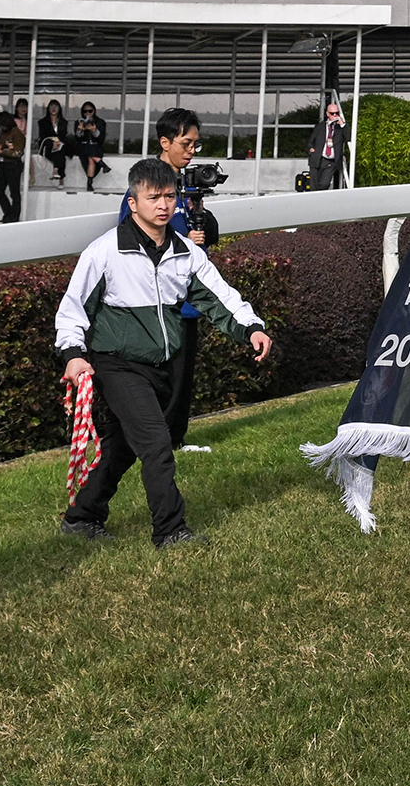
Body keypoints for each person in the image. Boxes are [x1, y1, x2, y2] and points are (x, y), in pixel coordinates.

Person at [57, 157, 272, 547]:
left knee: (123, 446)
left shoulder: (187, 252)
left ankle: (82, 516)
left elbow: (221, 297)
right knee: (157, 444)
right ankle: (171, 531)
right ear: (133, 201)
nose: (163, 205)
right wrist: (73, 354)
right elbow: (72, 310)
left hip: (163, 366)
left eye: (170, 196)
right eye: (153, 197)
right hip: (117, 364)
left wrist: (251, 328)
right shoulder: (103, 252)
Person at [119, 109, 218, 450]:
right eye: (186, 143)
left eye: (196, 144)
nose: (192, 150)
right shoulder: (147, 184)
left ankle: (174, 440)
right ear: (165, 142)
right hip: (156, 302)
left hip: (185, 301)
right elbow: (129, 236)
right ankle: (154, 442)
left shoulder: (186, 186)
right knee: (159, 378)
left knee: (181, 377)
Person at [307, 99, 348, 191]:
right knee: (314, 185)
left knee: (324, 184)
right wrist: (311, 149)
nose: (334, 115)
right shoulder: (320, 126)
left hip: (331, 161)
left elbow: (348, 137)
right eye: (332, 113)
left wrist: (341, 124)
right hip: (318, 158)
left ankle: (321, 200)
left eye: (336, 113)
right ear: (327, 114)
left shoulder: (340, 128)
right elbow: (310, 141)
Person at [0, 112, 25, 222]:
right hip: (3, 164)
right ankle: (8, 213)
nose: (0, 127)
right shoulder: (4, 132)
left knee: (14, 193)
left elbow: (18, 153)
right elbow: (2, 143)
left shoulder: (17, 134)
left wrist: (2, 151)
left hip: (13, 165)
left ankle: (14, 217)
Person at [71, 102, 107, 190]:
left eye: (90, 111)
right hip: (83, 148)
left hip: (95, 148)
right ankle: (101, 164)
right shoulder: (79, 122)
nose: (87, 114)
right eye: (85, 111)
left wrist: (94, 131)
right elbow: (77, 138)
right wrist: (80, 130)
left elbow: (101, 139)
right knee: (90, 154)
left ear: (94, 111)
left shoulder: (100, 122)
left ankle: (89, 182)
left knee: (91, 157)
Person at [37, 99, 70, 185]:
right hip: (47, 143)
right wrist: (53, 142)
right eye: (51, 106)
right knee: (59, 153)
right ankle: (60, 178)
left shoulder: (63, 122)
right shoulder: (42, 122)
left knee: (61, 150)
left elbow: (63, 135)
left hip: (60, 143)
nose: (54, 108)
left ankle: (56, 171)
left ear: (59, 109)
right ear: (48, 108)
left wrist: (58, 142)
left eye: (56, 106)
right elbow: (42, 135)